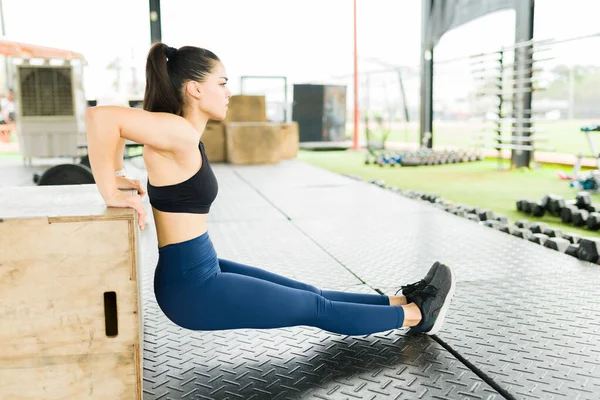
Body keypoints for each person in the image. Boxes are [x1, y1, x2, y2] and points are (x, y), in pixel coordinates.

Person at [86, 42, 455, 337]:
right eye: (223, 82)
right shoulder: (178, 132)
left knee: (313, 295)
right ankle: (417, 315)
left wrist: (117, 174)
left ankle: (400, 301)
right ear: (196, 89)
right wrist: (111, 190)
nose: (229, 92)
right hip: (192, 289)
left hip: (198, 268)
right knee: (316, 309)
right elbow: (102, 118)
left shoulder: (174, 133)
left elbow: (116, 127)